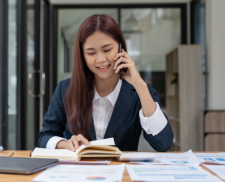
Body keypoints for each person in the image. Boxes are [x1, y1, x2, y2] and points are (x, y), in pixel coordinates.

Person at [38, 14, 173, 152]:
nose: (101, 59)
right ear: (82, 55)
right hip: (78, 172)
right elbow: (45, 137)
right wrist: (65, 144)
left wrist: (140, 85)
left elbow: (164, 143)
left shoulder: (140, 91)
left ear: (121, 47)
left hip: (122, 172)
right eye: (91, 53)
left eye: (107, 50)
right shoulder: (65, 89)